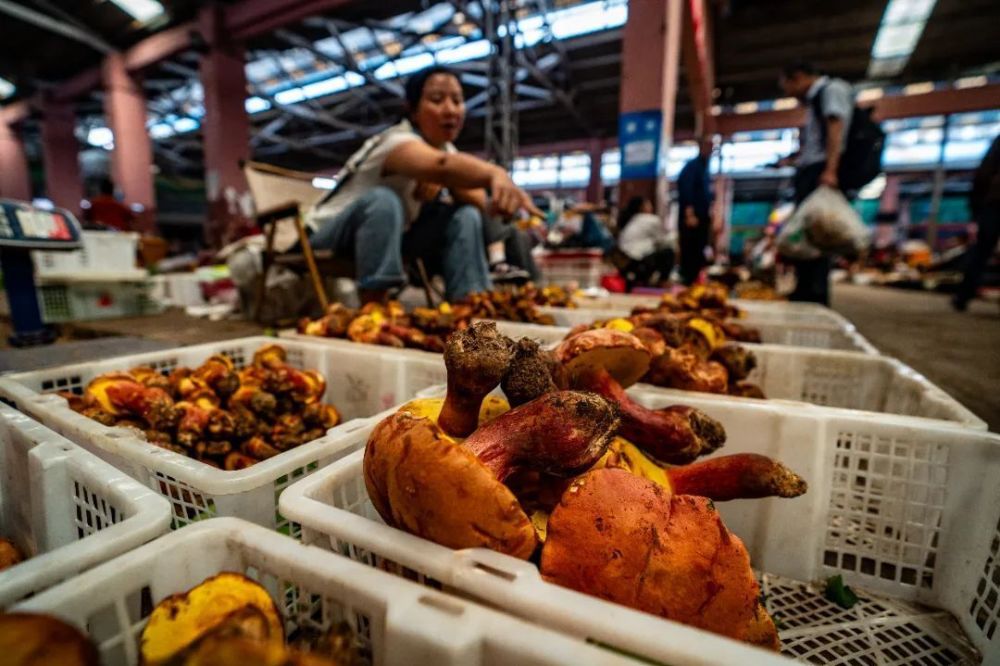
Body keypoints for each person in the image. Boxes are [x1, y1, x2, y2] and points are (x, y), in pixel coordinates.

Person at [306, 66, 539, 303]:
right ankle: (375, 304)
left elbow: (477, 199)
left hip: (396, 239)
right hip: (328, 235)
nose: (450, 109)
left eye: (457, 100)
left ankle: (471, 304)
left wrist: (500, 206)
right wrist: (495, 173)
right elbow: (442, 165)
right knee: (383, 200)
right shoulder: (396, 141)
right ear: (413, 110)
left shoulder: (447, 151)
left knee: (465, 215)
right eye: (437, 100)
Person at [777, 60, 854, 305]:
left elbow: (835, 127)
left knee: (819, 235)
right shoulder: (816, 100)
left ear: (798, 76)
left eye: (787, 86)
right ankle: (806, 289)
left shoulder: (831, 90)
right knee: (808, 234)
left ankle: (815, 293)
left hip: (821, 171)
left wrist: (830, 170)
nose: (789, 93)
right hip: (814, 169)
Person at [953, 134, 1000, 311]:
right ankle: (963, 294)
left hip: (993, 203)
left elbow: (984, 173)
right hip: (994, 202)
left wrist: (975, 207)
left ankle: (963, 295)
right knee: (981, 250)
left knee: (981, 250)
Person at [676, 137, 714, 285]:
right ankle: (688, 282)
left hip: (702, 216)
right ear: (701, 146)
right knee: (690, 249)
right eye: (708, 145)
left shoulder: (705, 167)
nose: (711, 149)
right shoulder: (692, 166)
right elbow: (686, 189)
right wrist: (689, 213)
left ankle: (695, 281)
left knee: (699, 249)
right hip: (692, 217)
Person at [615, 195, 675, 288]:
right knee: (668, 252)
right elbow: (662, 241)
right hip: (637, 262)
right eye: (648, 204)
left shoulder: (631, 219)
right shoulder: (650, 219)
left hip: (624, 264)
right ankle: (663, 281)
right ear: (641, 207)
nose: (651, 206)